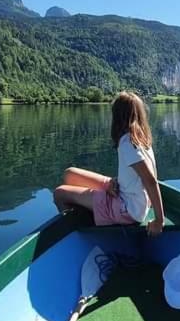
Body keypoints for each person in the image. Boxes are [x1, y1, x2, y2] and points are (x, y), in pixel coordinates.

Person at [53, 91, 165, 236]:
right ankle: (92, 209)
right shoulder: (139, 138)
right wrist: (115, 182)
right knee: (70, 174)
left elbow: (150, 180)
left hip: (127, 208)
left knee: (59, 193)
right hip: (126, 192)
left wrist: (159, 220)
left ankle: (79, 234)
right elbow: (137, 178)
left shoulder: (128, 142)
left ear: (117, 116)